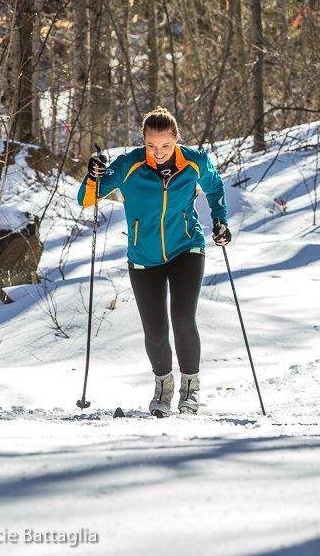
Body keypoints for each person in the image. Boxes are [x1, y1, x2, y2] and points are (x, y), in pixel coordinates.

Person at [77, 108, 232, 417]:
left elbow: (215, 187)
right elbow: (86, 199)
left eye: (165, 145)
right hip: (143, 257)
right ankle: (164, 386)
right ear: (143, 141)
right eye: (151, 146)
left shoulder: (194, 162)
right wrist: (93, 175)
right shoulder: (128, 165)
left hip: (186, 247)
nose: (158, 153)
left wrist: (220, 221)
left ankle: (191, 388)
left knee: (183, 319)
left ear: (176, 139)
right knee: (155, 330)